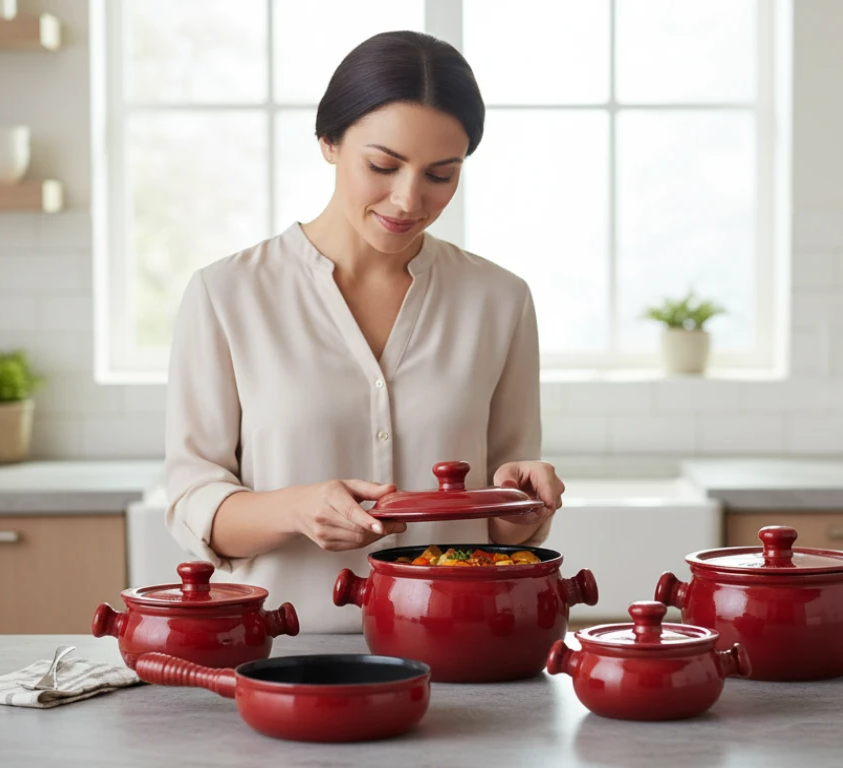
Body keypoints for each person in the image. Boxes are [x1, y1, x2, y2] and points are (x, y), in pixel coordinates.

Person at [163, 30, 565, 632]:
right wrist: (295, 509)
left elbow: (505, 523)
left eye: (441, 175)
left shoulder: (499, 300)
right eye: (382, 165)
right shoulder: (228, 294)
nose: (407, 199)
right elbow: (192, 503)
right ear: (328, 141)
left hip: (459, 649)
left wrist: (525, 499)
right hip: (281, 652)